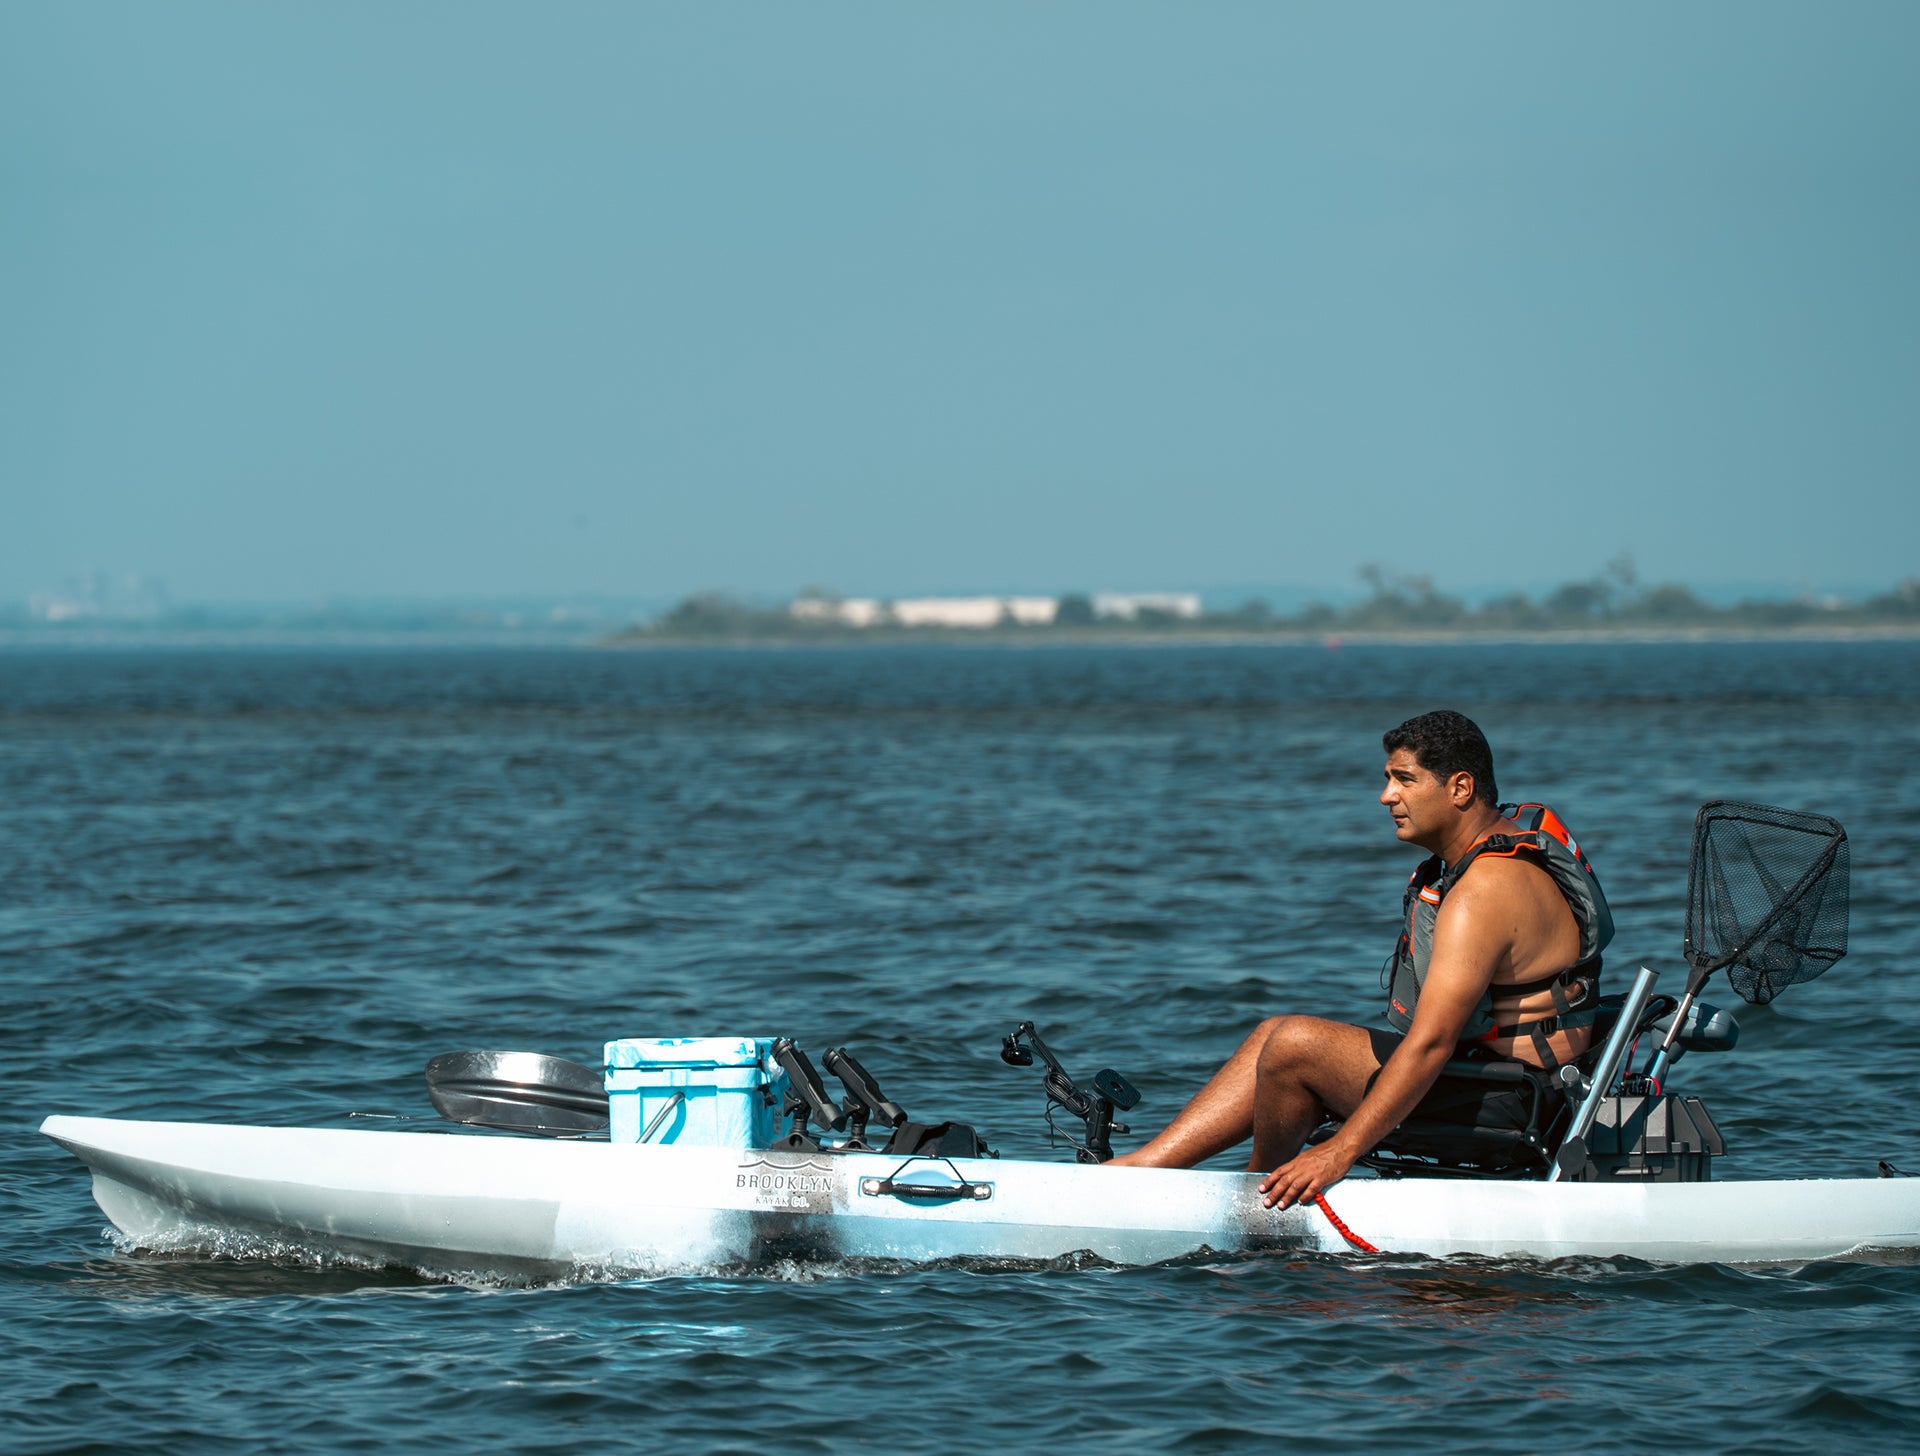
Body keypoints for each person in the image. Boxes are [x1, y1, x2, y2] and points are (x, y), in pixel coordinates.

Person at [1108, 709, 1612, 1211]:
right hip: (1492, 1079)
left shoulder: (1485, 889)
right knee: (1273, 1032)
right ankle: (1145, 1169)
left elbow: (1432, 1043)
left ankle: (1257, 1206)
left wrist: (1338, 1152)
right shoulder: (1485, 863)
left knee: (1293, 1048)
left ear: (1460, 788)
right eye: (1388, 778)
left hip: (1512, 1101)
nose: (1386, 796)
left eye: (1404, 779)